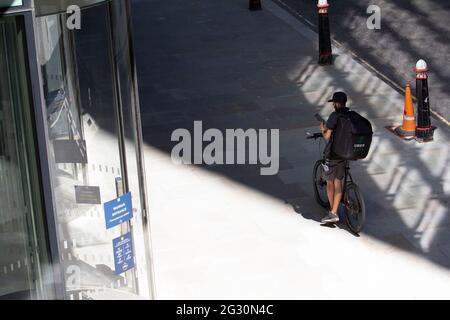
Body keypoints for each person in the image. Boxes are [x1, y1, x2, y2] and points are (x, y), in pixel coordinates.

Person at [319, 92, 350, 224]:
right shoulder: (349, 115)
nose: (333, 105)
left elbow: (327, 137)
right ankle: (335, 210)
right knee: (338, 182)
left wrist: (322, 129)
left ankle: (333, 212)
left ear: (337, 103)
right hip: (344, 154)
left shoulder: (334, 116)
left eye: (334, 103)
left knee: (329, 182)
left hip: (332, 155)